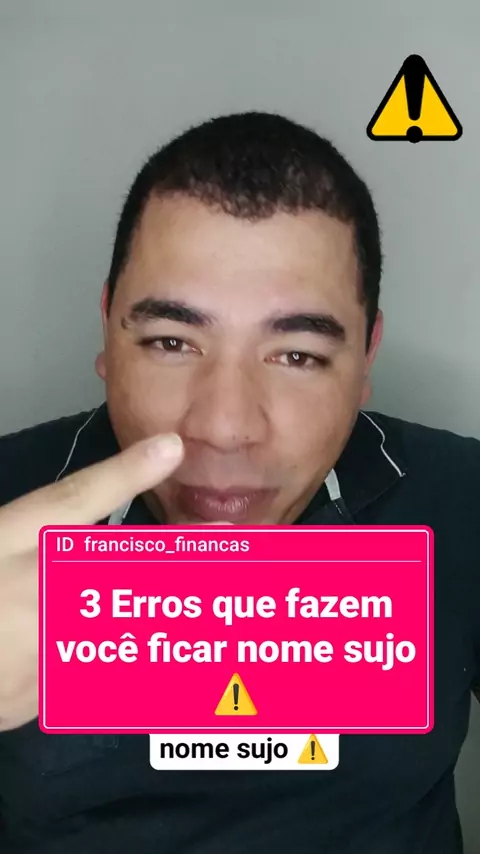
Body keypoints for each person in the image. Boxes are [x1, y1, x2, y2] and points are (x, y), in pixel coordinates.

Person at [0, 111, 479, 854]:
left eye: (297, 356)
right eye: (171, 341)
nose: (224, 428)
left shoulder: (465, 499)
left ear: (365, 358)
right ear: (108, 331)